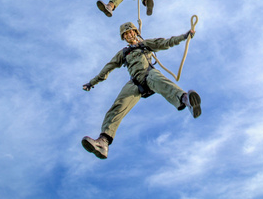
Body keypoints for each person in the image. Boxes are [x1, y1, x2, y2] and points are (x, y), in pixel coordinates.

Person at [81, 22, 201, 159]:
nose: (129, 35)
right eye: (125, 34)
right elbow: (107, 68)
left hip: (148, 74)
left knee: (159, 79)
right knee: (118, 106)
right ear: (123, 37)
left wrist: (185, 36)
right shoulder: (124, 53)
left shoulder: (145, 44)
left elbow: (166, 43)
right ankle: (103, 142)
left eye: (130, 32)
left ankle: (186, 100)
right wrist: (92, 82)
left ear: (136, 32)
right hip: (135, 82)